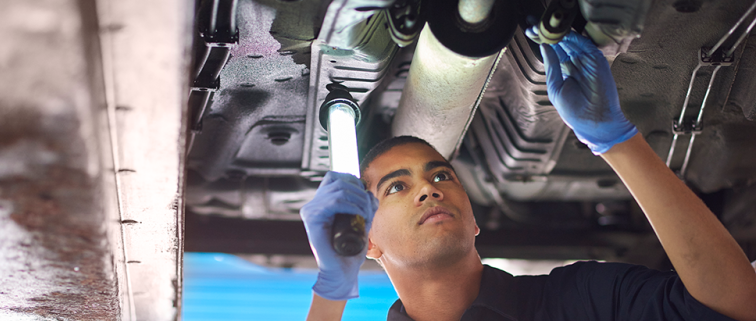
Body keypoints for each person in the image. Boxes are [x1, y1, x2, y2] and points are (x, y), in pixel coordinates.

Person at [300, 31, 756, 321]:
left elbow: (736, 307)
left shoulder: (585, 301)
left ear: (473, 221)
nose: (428, 188)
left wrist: (619, 143)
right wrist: (332, 287)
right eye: (396, 186)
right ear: (369, 243)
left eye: (441, 176)